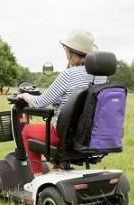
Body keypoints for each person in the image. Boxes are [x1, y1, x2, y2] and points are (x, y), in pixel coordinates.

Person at [17, 30, 107, 187]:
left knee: (26, 131)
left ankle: (37, 180)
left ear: (70, 52)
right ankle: (59, 170)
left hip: (66, 136)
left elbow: (39, 102)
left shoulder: (68, 75)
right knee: (64, 128)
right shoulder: (102, 77)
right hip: (90, 135)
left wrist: (25, 96)